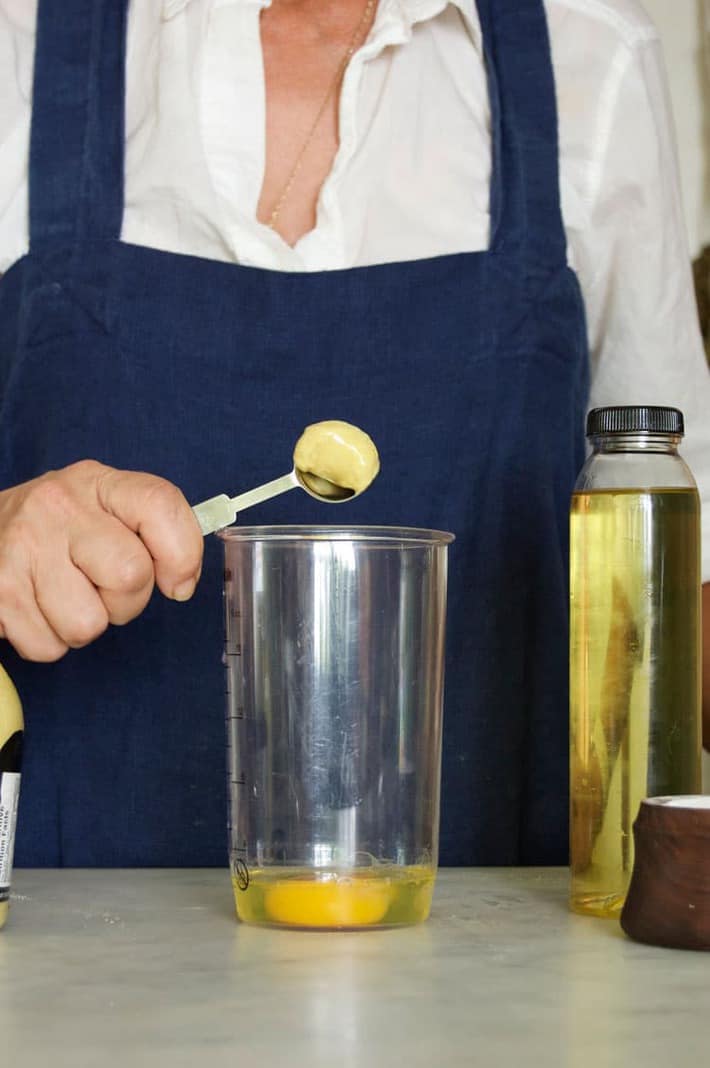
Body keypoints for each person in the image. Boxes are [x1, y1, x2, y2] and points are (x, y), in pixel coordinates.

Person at [0, 0, 709, 867]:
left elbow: (682, 586)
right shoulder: (18, 41)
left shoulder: (593, 55)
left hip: (501, 948)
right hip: (59, 945)